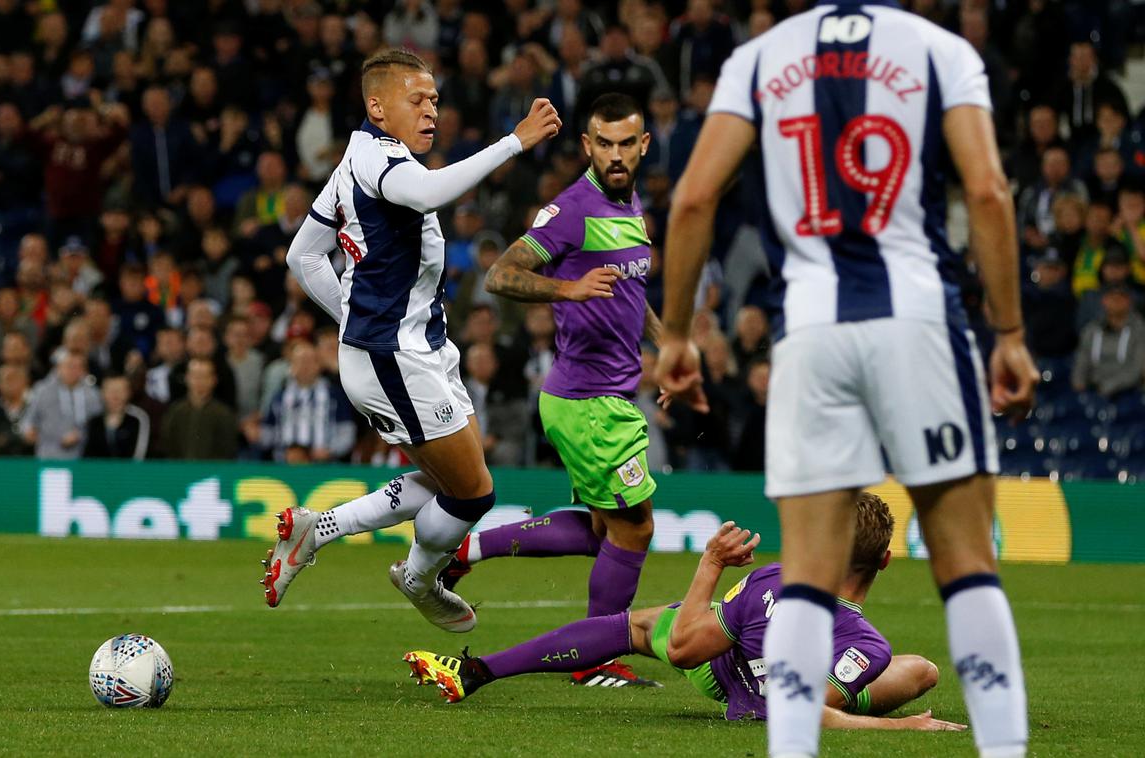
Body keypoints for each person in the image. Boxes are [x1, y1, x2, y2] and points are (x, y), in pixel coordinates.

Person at [654, 6, 1036, 758]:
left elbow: (694, 198)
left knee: (805, 574)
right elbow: (989, 191)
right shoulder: (939, 50)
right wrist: (1013, 333)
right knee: (966, 565)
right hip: (922, 324)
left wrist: (674, 333)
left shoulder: (760, 59)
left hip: (812, 335)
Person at [270, 48, 560, 632]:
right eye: (417, 100)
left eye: (435, 100)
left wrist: (351, 318)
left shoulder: (358, 159)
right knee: (473, 494)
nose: (432, 111)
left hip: (415, 347)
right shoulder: (380, 162)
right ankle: (418, 579)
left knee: (448, 481)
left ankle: (316, 529)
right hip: (393, 358)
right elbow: (428, 194)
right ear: (377, 107)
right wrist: (515, 141)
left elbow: (303, 255)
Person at [404, 493, 963, 734]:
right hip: (784, 689)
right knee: (919, 670)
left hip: (719, 669)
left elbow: (684, 649)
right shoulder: (867, 646)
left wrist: (712, 564)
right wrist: (898, 725)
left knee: (635, 626)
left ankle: (480, 670)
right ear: (885, 560)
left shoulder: (775, 577)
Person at [437, 93, 664, 684]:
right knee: (634, 527)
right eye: (604, 144)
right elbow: (501, 273)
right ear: (587, 146)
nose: (616, 156)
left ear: (643, 146)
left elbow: (633, 294)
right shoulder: (572, 210)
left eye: (626, 144)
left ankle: (469, 552)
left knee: (602, 531)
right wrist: (567, 290)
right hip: (587, 400)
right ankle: (599, 658)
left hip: (609, 397)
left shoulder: (633, 206)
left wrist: (673, 350)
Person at [259, 341, 356, 462]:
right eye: (299, 361)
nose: (305, 366)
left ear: (319, 365)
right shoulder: (280, 397)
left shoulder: (334, 396)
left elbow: (347, 431)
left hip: (324, 467)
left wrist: (330, 450)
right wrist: (259, 435)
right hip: (284, 467)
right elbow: (269, 433)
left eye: (309, 361)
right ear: (291, 365)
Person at [23, 352, 103, 460]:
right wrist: (28, 430)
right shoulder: (42, 391)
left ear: (84, 370)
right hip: (47, 455)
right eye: (69, 366)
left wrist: (80, 434)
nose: (73, 371)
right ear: (58, 368)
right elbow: (29, 419)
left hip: (82, 457)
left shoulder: (93, 395)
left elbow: (98, 425)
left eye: (78, 367)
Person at [159, 357, 238, 460]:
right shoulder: (175, 411)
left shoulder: (224, 413)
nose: (199, 381)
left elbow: (228, 449)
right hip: (179, 471)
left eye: (204, 376)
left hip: (213, 472)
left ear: (213, 380)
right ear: (187, 378)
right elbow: (167, 444)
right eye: (195, 376)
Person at [83, 374, 150, 459]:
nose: (115, 395)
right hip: (99, 471)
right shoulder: (94, 421)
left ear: (129, 392)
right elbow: (88, 455)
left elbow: (139, 454)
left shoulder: (138, 419)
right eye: (110, 390)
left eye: (120, 390)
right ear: (102, 393)